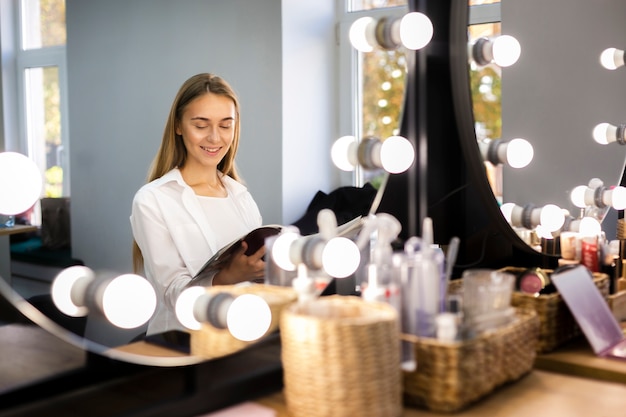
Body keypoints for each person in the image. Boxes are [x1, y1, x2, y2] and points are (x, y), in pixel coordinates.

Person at [130, 73, 266, 335]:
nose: (215, 138)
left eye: (226, 125)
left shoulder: (241, 197)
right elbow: (174, 296)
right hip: (183, 346)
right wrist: (228, 277)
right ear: (179, 126)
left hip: (242, 337)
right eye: (201, 125)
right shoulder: (152, 200)